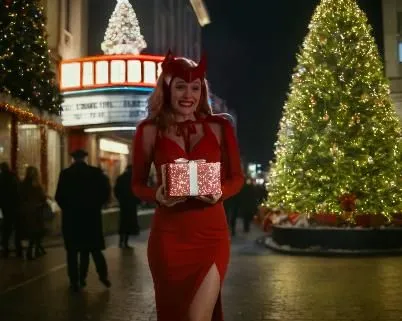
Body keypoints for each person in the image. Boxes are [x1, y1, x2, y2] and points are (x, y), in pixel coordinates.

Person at [132, 50, 244, 321]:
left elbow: (237, 178)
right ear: (167, 89)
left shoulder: (220, 127)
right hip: (169, 238)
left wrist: (220, 192)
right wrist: (157, 194)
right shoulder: (149, 130)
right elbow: (136, 185)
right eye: (181, 86)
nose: (188, 95)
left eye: (195, 88)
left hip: (211, 236)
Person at [55, 149, 111, 292]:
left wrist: (68, 209)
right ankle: (102, 276)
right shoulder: (95, 173)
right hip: (91, 218)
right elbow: (105, 193)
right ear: (86, 158)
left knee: (73, 253)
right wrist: (96, 205)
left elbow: (59, 196)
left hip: (72, 219)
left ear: (73, 158)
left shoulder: (66, 174)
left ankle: (75, 281)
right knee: (94, 250)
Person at [18, 166, 47, 260]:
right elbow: (42, 197)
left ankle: (33, 251)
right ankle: (33, 251)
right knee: (36, 232)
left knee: (32, 232)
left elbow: (20, 197)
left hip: (27, 211)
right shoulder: (37, 185)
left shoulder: (23, 184)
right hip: (36, 211)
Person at [114, 164, 141, 248]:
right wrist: (137, 201)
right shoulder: (134, 179)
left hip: (123, 204)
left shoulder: (121, 178)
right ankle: (125, 242)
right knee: (129, 223)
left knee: (123, 222)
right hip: (131, 204)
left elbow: (116, 190)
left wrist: (120, 199)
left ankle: (121, 241)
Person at [0, 162, 22, 258]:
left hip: (6, 205)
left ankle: (5, 248)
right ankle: (18, 249)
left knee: (7, 227)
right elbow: (18, 190)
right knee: (17, 228)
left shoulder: (1, 178)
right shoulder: (13, 177)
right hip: (15, 205)